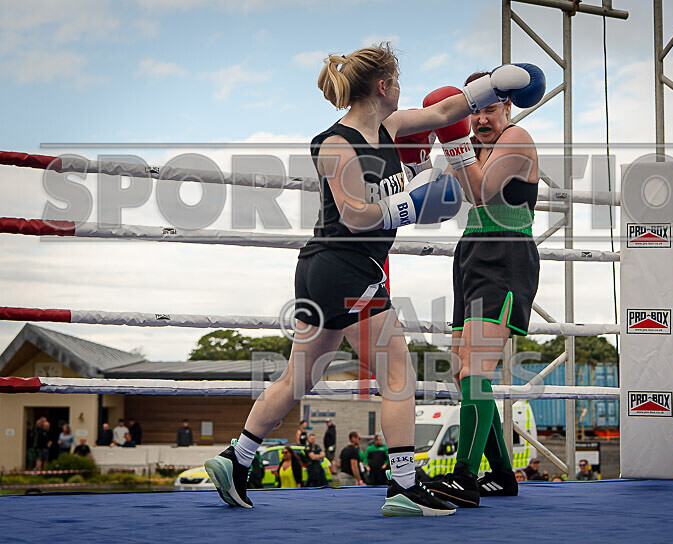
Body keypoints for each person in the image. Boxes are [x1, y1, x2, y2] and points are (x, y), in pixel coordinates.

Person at [204, 43, 539, 517]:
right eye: (397, 82)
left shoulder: (391, 127)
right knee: (398, 375)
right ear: (383, 86)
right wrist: (411, 206)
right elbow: (355, 215)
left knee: (301, 374)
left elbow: (446, 111)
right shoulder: (335, 143)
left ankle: (236, 458)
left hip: (332, 270)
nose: (402, 90)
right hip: (346, 268)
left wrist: (491, 86)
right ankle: (403, 485)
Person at [425, 66, 545, 509]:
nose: (480, 119)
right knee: (462, 373)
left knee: (476, 370)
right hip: (472, 252)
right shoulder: (476, 147)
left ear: (506, 105)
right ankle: (502, 474)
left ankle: (464, 476)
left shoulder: (517, 138)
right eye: (472, 111)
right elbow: (442, 196)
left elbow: (481, 193)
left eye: (488, 109)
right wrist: (425, 151)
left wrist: (454, 143)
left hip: (504, 253)